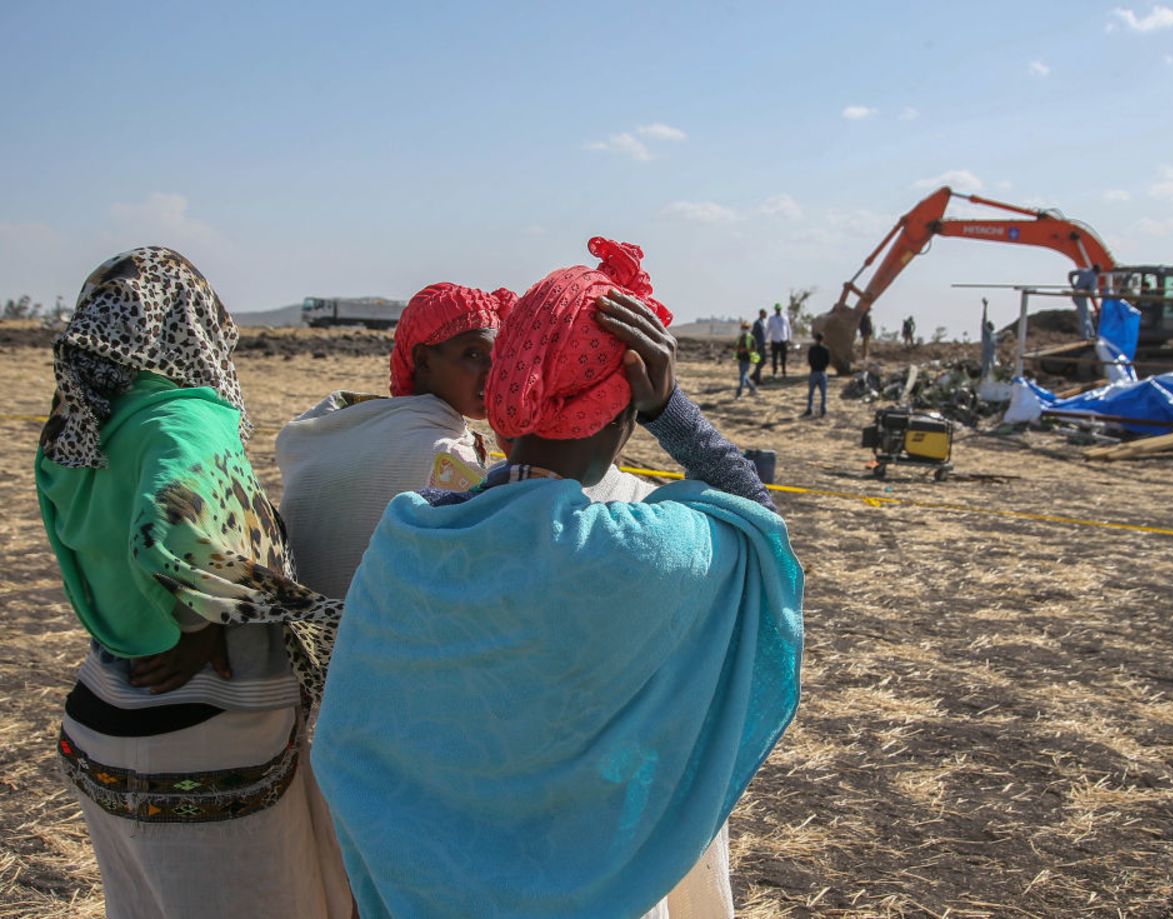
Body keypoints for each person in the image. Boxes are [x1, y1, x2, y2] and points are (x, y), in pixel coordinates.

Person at [311, 237, 804, 919]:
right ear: (626, 413)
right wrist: (674, 412)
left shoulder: (412, 538)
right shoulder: (644, 552)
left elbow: (348, 740)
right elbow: (757, 522)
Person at [34, 247, 350, 919]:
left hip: (108, 703)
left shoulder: (81, 429)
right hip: (206, 723)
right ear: (193, 321)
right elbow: (175, 529)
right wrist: (209, 618)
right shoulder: (185, 418)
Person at [275, 282, 515, 598]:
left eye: (498, 357)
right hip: (362, 639)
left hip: (301, 635)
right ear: (423, 360)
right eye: (474, 354)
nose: (493, 373)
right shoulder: (446, 455)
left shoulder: (341, 427)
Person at [1068, 263, 1099, 340]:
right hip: (1081, 296)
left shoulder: (1084, 271)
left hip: (1075, 295)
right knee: (1084, 316)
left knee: (1086, 314)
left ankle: (1091, 333)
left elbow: (1071, 273)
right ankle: (1085, 336)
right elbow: (1091, 292)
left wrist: (1072, 284)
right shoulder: (1093, 278)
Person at [803, 331, 829, 417]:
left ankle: (810, 408)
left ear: (816, 339)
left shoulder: (812, 349)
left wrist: (813, 366)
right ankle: (823, 409)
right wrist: (823, 367)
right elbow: (827, 361)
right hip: (822, 372)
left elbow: (810, 360)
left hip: (814, 372)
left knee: (811, 393)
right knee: (823, 393)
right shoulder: (825, 349)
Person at [734, 320, 759, 398]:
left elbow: (754, 349)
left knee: (742, 376)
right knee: (744, 376)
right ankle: (753, 388)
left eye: (746, 328)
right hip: (741, 359)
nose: (744, 329)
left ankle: (739, 393)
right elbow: (736, 347)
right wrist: (739, 350)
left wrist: (745, 350)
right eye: (743, 328)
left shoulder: (751, 338)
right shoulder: (739, 338)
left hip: (747, 359)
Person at [766, 301, 791, 376]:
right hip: (774, 340)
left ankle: (784, 372)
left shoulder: (785, 318)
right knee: (774, 358)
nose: (778, 310)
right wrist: (765, 339)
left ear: (781, 309)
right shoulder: (771, 318)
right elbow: (768, 329)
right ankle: (774, 372)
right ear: (775, 309)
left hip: (783, 340)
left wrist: (789, 338)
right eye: (777, 309)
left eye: (779, 309)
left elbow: (788, 328)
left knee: (783, 358)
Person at [750, 307, 768, 385]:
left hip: (762, 345)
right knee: (759, 362)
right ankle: (757, 380)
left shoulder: (762, 323)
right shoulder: (757, 323)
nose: (766, 315)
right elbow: (753, 334)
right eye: (765, 313)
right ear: (761, 314)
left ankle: (755, 375)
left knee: (763, 361)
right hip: (758, 346)